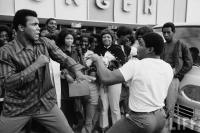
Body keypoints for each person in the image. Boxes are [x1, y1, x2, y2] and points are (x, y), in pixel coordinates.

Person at [0, 9, 93, 133]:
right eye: (34, 24)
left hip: (45, 103)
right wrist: (35, 65)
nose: (38, 28)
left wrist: (77, 71)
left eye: (38, 24)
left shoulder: (43, 42)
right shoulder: (6, 51)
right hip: (17, 107)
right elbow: (7, 83)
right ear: (21, 27)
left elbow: (63, 57)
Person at [89, 32, 174, 133]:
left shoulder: (136, 65)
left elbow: (106, 78)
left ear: (150, 49)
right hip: (160, 117)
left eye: (141, 44)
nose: (137, 47)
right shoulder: (167, 67)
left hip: (141, 119)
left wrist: (98, 60)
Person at [161, 22, 193, 133]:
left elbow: (189, 63)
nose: (165, 35)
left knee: (169, 106)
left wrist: (178, 75)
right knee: (160, 105)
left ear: (173, 32)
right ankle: (160, 128)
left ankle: (167, 130)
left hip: (173, 79)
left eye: (168, 32)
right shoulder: (162, 46)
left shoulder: (181, 44)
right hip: (161, 79)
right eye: (164, 32)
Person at [94, 29, 126, 132]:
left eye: (108, 37)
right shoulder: (97, 49)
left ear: (112, 38)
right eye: (104, 37)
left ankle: (117, 129)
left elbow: (122, 64)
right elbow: (93, 64)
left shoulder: (117, 49)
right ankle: (104, 128)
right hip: (102, 80)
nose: (106, 39)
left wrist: (110, 63)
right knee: (103, 106)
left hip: (115, 80)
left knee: (115, 107)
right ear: (101, 39)